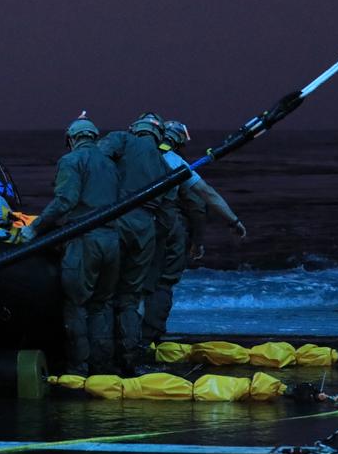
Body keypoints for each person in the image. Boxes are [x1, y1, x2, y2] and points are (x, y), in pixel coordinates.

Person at [20, 117, 120, 375]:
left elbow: (65, 200)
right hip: (112, 241)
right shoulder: (110, 164)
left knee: (76, 304)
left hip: (85, 239)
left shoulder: (71, 161)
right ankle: (104, 368)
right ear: (94, 136)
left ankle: (78, 368)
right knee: (102, 304)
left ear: (71, 140)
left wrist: (35, 228)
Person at [141, 118, 247, 345]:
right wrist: (233, 220)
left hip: (131, 230)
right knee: (162, 284)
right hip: (163, 230)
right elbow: (205, 196)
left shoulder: (129, 159)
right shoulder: (175, 162)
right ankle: (148, 340)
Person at [97, 112, 171, 373]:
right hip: (146, 229)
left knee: (103, 295)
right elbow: (168, 208)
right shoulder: (164, 164)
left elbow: (95, 159)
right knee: (129, 298)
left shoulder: (122, 140)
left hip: (117, 219)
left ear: (135, 128)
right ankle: (128, 358)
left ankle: (102, 361)